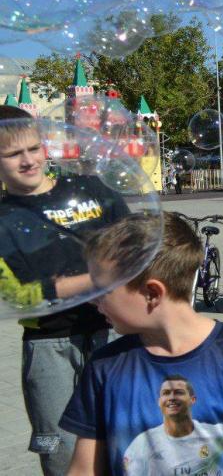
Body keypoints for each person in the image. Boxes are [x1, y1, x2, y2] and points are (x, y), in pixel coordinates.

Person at [60, 213, 223, 475]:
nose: (92, 300)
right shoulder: (104, 367)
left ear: (152, 293)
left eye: (103, 289)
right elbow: (84, 467)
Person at [0, 107, 129, 475]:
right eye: (12, 154)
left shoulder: (87, 189)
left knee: (121, 436)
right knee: (60, 448)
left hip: (112, 330)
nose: (28, 161)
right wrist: (99, 277)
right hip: (48, 345)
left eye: (33, 148)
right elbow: (20, 295)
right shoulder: (5, 219)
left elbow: (135, 244)